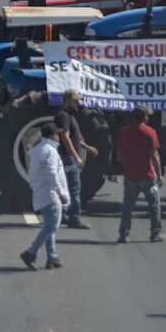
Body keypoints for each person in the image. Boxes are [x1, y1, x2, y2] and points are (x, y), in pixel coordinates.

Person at [20, 122, 69, 270]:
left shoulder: (37, 150)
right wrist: (60, 193)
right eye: (58, 134)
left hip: (41, 192)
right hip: (51, 194)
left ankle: (52, 257)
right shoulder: (50, 151)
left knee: (50, 226)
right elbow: (51, 173)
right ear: (54, 135)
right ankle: (31, 253)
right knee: (51, 226)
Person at [116, 106, 165, 243]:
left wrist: (128, 162)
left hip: (130, 175)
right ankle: (155, 233)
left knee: (127, 206)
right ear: (144, 117)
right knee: (154, 205)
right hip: (147, 175)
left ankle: (123, 234)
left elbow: (119, 152)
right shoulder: (150, 132)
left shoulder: (124, 131)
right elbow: (154, 155)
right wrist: (160, 175)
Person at [57, 90, 99, 229]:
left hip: (67, 157)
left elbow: (74, 138)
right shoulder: (63, 115)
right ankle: (74, 217)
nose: (77, 103)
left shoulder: (69, 116)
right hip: (67, 157)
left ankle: (63, 216)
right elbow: (65, 137)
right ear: (67, 100)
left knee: (65, 187)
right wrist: (75, 157)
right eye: (75, 100)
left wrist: (86, 147)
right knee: (74, 187)